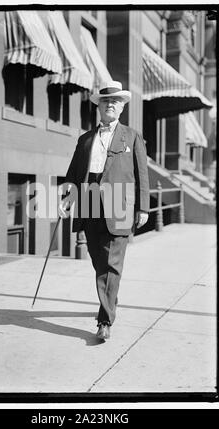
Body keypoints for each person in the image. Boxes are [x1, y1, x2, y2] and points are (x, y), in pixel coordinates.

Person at [58, 80, 150, 341]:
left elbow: (142, 174)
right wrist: (66, 199)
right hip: (89, 201)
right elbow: (73, 173)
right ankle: (110, 298)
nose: (110, 104)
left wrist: (143, 207)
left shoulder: (132, 136)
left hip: (119, 202)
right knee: (101, 263)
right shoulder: (85, 139)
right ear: (99, 106)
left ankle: (104, 321)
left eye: (116, 101)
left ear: (121, 108)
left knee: (112, 265)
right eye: (106, 101)